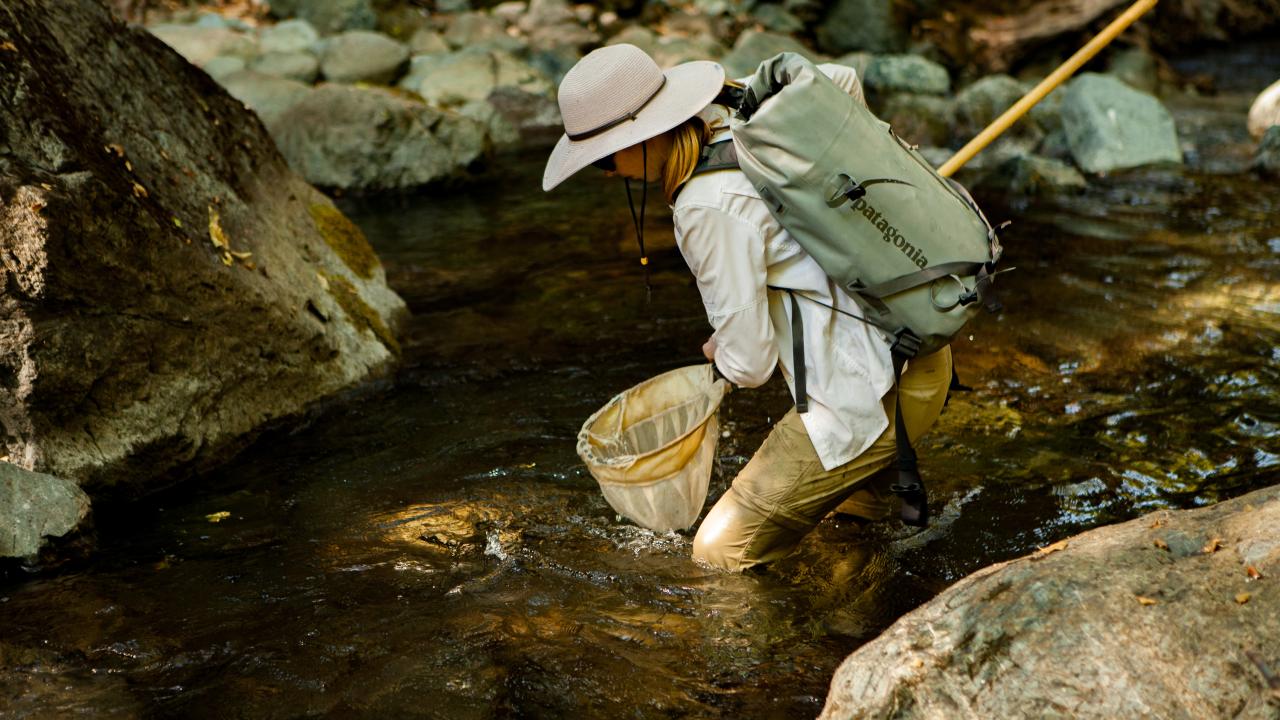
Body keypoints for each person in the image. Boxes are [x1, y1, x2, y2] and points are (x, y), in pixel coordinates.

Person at [543, 44, 953, 572]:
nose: (605, 173)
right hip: (922, 345)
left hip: (874, 395)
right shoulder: (746, 108)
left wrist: (722, 354)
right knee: (854, 527)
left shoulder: (705, 206)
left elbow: (751, 364)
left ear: (646, 134)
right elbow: (841, 79)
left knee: (718, 553)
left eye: (604, 157)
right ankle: (863, 599)